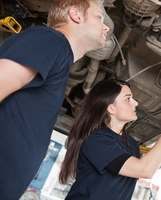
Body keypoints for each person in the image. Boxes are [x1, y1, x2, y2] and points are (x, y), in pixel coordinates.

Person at [0, 0, 109, 199]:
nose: (106, 26)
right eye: (99, 17)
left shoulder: (58, 51)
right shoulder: (52, 40)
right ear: (76, 15)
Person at [59, 79, 161, 200]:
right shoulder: (95, 140)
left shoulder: (131, 144)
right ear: (111, 108)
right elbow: (144, 170)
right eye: (128, 99)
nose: (136, 103)